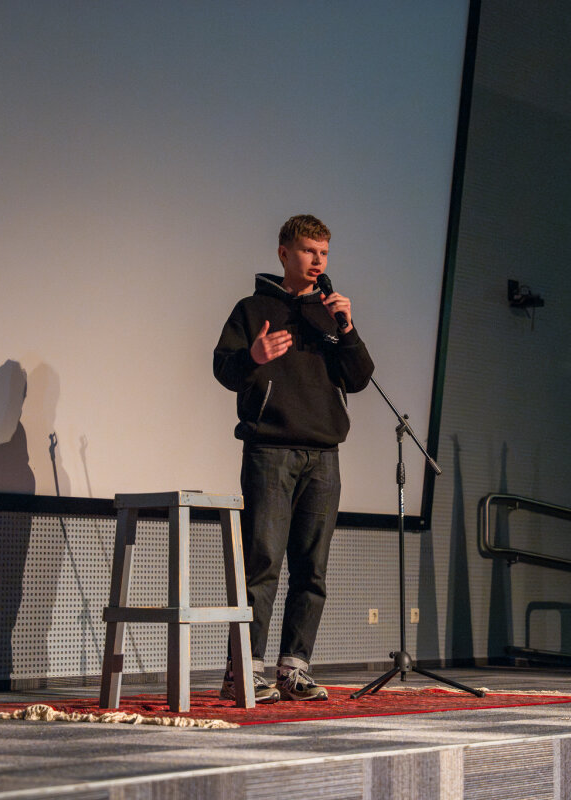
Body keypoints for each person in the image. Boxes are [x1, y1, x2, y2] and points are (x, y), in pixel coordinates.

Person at [213, 214, 375, 702]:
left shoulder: (330, 313)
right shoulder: (252, 308)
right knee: (263, 561)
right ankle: (243, 669)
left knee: (312, 569)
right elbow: (224, 368)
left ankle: (293, 669)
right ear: (284, 253)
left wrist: (347, 328)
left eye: (323, 253)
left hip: (323, 453)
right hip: (271, 450)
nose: (317, 261)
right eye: (308, 251)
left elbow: (359, 378)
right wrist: (254, 357)